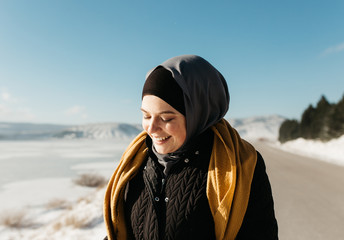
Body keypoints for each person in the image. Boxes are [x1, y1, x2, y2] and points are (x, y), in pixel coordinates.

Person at [103, 55, 278, 240]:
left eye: (167, 118)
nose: (151, 128)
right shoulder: (135, 164)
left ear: (199, 115)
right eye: (146, 116)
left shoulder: (240, 166)